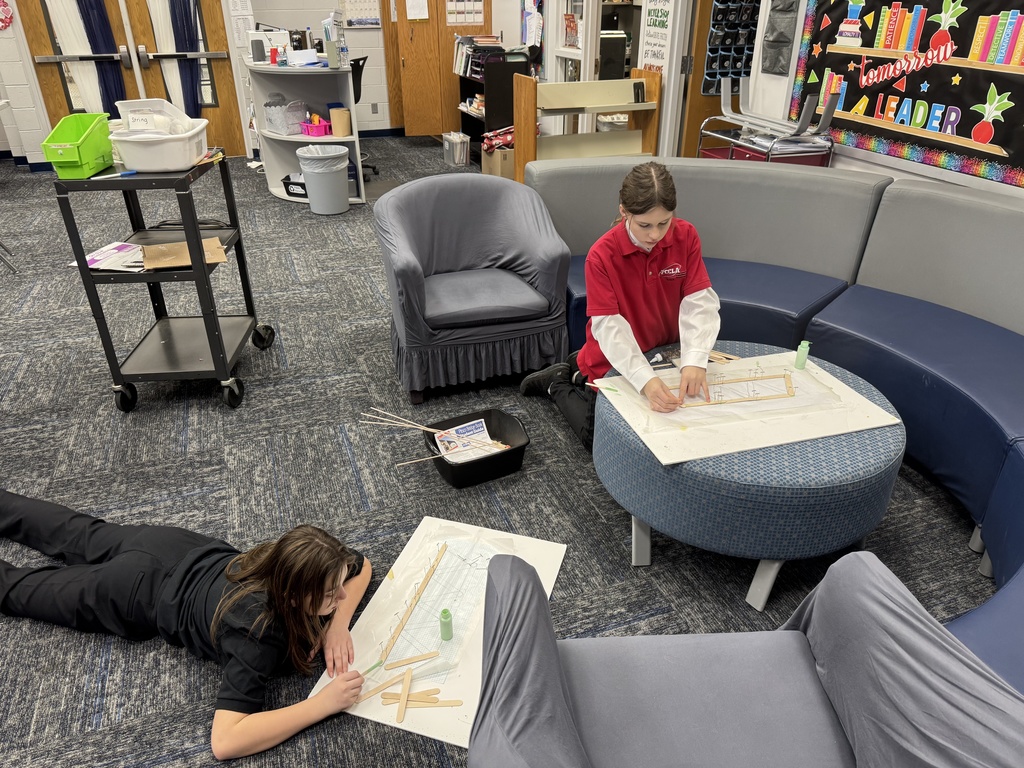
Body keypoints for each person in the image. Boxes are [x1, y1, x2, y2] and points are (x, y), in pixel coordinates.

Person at [0, 489, 372, 761]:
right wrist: (321, 705)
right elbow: (225, 741)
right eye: (329, 595)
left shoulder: (287, 558)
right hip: (134, 590)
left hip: (172, 544)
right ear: (293, 596)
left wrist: (337, 625)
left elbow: (363, 566)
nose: (342, 597)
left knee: (73, 531)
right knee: (19, 591)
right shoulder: (257, 635)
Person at [519, 161, 721, 451]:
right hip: (613, 354)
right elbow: (610, 327)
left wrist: (696, 359)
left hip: (661, 351)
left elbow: (698, 301)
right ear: (624, 212)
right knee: (598, 441)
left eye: (664, 223)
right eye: (645, 225)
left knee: (673, 427)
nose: (655, 234)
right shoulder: (601, 255)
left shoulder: (686, 235)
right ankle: (557, 382)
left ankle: (578, 362)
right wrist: (645, 382)